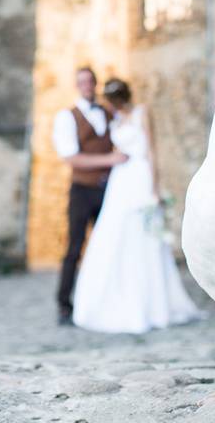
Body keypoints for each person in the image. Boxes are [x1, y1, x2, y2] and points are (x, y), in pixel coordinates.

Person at [71, 78, 201, 334]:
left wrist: (154, 187)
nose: (115, 106)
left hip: (140, 176)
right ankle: (114, 300)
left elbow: (151, 151)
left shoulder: (143, 112)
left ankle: (152, 304)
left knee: (144, 237)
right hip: (120, 181)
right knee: (115, 235)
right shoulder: (116, 118)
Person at [53, 66, 129, 325]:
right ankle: (64, 305)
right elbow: (71, 157)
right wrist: (109, 159)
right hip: (82, 191)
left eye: (90, 81)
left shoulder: (108, 113)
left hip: (109, 190)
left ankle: (104, 301)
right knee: (74, 248)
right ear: (77, 85)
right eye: (82, 82)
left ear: (95, 84)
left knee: (107, 247)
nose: (87, 86)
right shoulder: (67, 117)